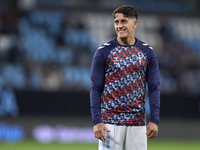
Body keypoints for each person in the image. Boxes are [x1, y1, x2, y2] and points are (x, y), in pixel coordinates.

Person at [90, 5, 160, 150]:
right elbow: (96, 88)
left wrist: (154, 120)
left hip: (138, 124)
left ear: (135, 23)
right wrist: (97, 120)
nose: (119, 26)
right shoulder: (103, 52)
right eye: (117, 22)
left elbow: (153, 88)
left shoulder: (147, 52)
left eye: (124, 21)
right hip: (110, 124)